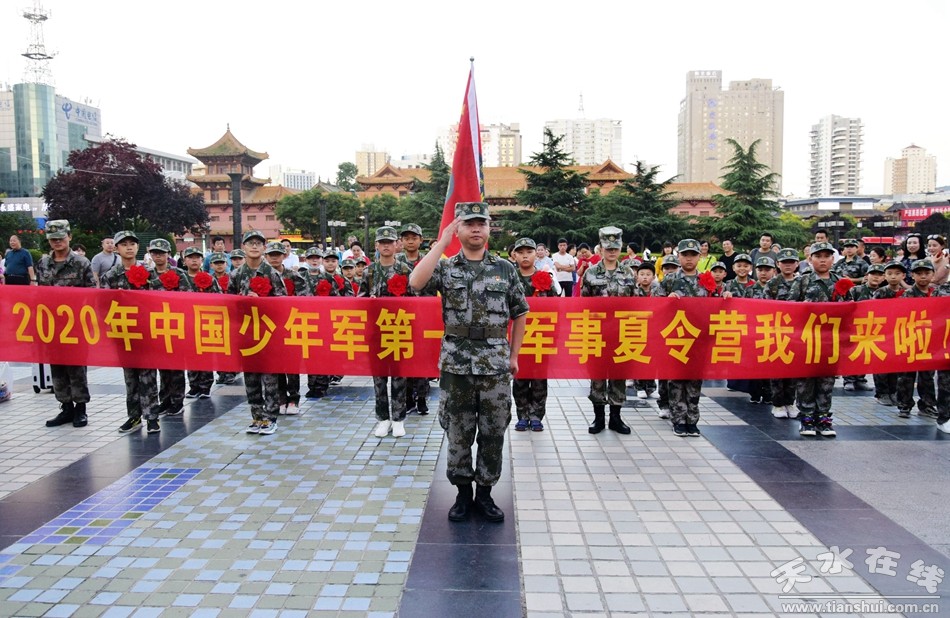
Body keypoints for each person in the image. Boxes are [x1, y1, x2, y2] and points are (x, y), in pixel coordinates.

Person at [408, 202, 527, 523]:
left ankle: (486, 494)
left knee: (493, 431)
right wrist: (440, 245)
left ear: (489, 229)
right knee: (458, 431)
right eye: (469, 224)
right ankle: (462, 494)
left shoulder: (504, 268)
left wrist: (514, 355)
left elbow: (520, 312)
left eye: (481, 224)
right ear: (458, 229)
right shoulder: (446, 268)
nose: (476, 229)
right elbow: (416, 283)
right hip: (456, 366)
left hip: (495, 365)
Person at [99, 230, 163, 435]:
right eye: (124, 244)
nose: (128, 247)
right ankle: (134, 416)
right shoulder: (109, 276)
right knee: (130, 377)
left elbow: (160, 300)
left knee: (149, 376)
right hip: (123, 333)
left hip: (145, 332)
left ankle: (152, 417)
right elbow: (103, 305)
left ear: (137, 248)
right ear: (116, 248)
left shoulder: (149, 273)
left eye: (132, 244)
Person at [36, 220, 96, 429]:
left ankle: (80, 409)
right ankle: (65, 407)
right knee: (58, 367)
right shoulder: (43, 263)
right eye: (53, 239)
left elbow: (91, 292)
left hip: (75, 324)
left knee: (76, 367)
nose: (57, 242)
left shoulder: (81, 263)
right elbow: (39, 293)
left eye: (61, 238)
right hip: (52, 325)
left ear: (69, 237)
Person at [787, 241, 850, 437]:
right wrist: (801, 307)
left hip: (831, 341)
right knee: (805, 380)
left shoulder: (841, 281)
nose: (822, 260)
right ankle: (806, 417)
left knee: (826, 380)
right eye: (818, 256)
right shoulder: (803, 281)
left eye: (826, 256)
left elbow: (850, 308)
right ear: (810, 259)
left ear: (833, 259)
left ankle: (823, 418)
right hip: (807, 339)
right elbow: (789, 307)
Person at [228, 231, 287, 435]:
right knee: (250, 377)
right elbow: (227, 304)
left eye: (258, 243)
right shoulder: (236, 274)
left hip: (267, 333)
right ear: (243, 247)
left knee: (269, 378)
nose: (254, 247)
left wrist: (262, 302)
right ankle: (257, 416)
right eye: (250, 243)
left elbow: (283, 303)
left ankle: (271, 417)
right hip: (245, 333)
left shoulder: (272, 273)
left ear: (264, 248)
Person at [360, 227, 415, 438]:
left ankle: (399, 418)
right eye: (382, 242)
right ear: (376, 246)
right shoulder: (369, 271)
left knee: (400, 376)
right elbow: (360, 301)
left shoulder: (404, 270)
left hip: (398, 329)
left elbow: (414, 300)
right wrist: (369, 302)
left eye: (390, 242)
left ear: (396, 245)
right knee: (379, 378)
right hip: (376, 332)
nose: (386, 245)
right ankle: (382, 418)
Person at [581, 226, 637, 435]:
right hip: (597, 333)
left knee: (618, 375)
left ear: (620, 248)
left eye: (615, 248)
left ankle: (616, 417)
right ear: (601, 248)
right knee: (597, 376)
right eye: (608, 248)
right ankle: (598, 418)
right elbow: (583, 303)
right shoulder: (591, 273)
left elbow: (636, 302)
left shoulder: (629, 272)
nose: (612, 251)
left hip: (622, 333)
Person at [658, 239, 709, 437]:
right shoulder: (670, 279)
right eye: (685, 255)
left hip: (698, 337)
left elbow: (716, 305)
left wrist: (726, 296)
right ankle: (678, 419)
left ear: (699, 256)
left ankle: (692, 419)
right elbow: (654, 303)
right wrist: (666, 301)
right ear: (679, 257)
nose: (689, 259)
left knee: (695, 379)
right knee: (677, 379)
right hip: (676, 337)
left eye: (693, 255)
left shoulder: (706, 280)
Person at [510, 238, 557, 432]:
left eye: (529, 252)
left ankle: (536, 415)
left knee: (539, 378)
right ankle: (522, 414)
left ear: (536, 254)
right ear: (515, 255)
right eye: (521, 252)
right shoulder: (509, 278)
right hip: (516, 337)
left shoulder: (545, 278)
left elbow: (556, 307)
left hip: (540, 335)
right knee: (519, 376)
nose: (525, 255)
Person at [149, 238, 193, 419]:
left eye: (162, 253)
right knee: (162, 366)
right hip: (154, 326)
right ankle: (164, 399)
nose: (158, 256)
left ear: (169, 255)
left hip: (174, 326)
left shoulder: (179, 274)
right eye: (155, 253)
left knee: (175, 367)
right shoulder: (146, 274)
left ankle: (177, 401)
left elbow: (188, 297)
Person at [265, 241, 310, 415]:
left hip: (291, 325)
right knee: (275, 365)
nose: (275, 257)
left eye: (278, 254)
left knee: (291, 365)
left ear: (284, 256)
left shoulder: (294, 276)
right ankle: (281, 398)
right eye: (271, 255)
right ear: (266, 257)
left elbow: (304, 300)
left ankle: (294, 399)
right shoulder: (262, 276)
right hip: (269, 327)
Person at [892, 260, 938, 420]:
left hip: (931, 342)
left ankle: (927, 405)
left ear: (933, 274)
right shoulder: (907, 295)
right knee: (906, 376)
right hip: (910, 340)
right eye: (919, 273)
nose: (923, 276)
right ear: (912, 275)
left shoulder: (938, 294)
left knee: (927, 376)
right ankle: (904, 406)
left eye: (927, 273)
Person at [397, 223, 434, 415]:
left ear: (421, 240)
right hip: (401, 319)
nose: (410, 241)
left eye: (414, 237)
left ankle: (422, 398)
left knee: (421, 358)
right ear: (401, 241)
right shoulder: (395, 262)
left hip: (423, 317)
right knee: (404, 359)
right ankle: (408, 398)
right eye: (406, 238)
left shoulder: (429, 261)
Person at [765, 248, 802, 419]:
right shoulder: (772, 284)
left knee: (794, 370)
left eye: (791, 262)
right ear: (778, 264)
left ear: (797, 264)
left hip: (798, 332)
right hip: (777, 331)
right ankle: (778, 403)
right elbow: (764, 308)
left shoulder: (803, 282)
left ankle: (790, 402)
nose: (788, 266)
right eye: (784, 263)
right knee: (777, 369)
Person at [183, 247, 222, 399]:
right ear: (184, 260)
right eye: (190, 257)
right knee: (190, 355)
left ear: (202, 260)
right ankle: (194, 386)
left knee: (205, 354)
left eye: (197, 257)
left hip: (205, 322)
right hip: (186, 323)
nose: (194, 260)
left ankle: (205, 386)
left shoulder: (209, 279)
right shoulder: (180, 277)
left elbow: (218, 298)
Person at [632, 261, 663, 401]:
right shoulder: (633, 291)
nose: (645, 277)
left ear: (653, 276)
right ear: (637, 276)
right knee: (639, 357)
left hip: (654, 328)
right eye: (642, 274)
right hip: (637, 328)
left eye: (648, 275)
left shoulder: (659, 291)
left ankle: (651, 387)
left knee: (652, 359)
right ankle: (639, 386)